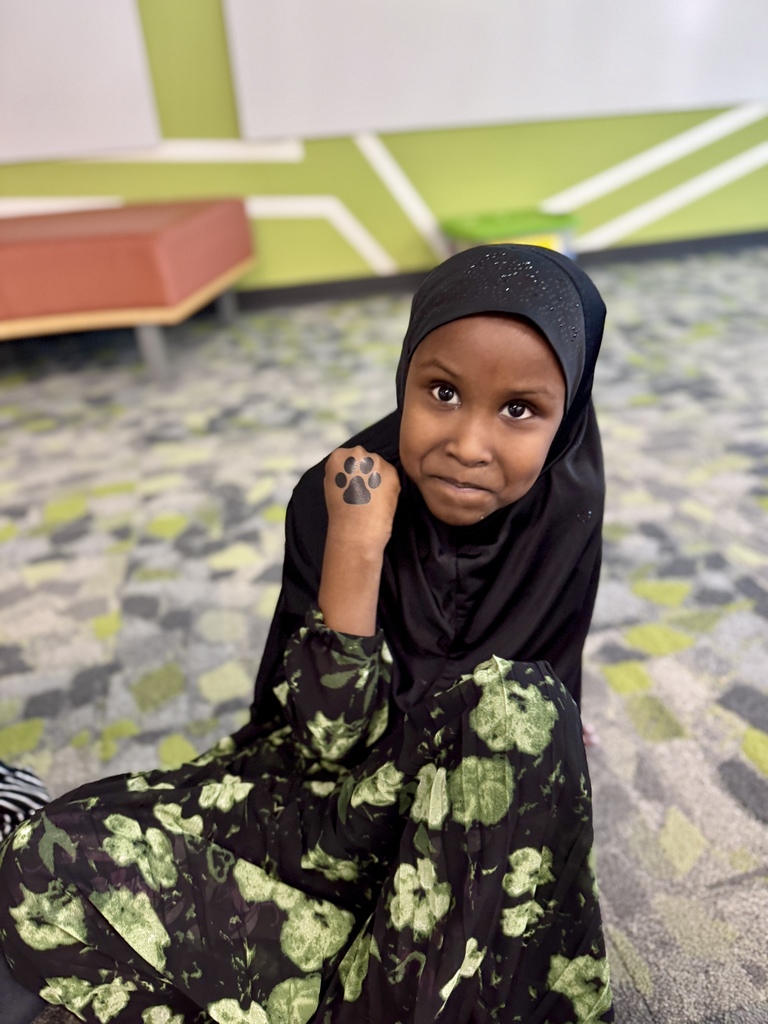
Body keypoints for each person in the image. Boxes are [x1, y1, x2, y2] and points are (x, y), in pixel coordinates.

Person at [0, 244, 613, 1023]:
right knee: (42, 856)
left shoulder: (566, 506)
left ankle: (370, 971)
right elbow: (321, 742)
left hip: (461, 823)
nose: (468, 443)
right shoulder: (341, 490)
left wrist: (536, 737)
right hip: (329, 813)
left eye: (519, 410)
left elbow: (534, 722)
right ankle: (384, 983)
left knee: (522, 708)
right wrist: (357, 544)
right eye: (443, 392)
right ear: (406, 376)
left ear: (567, 419)